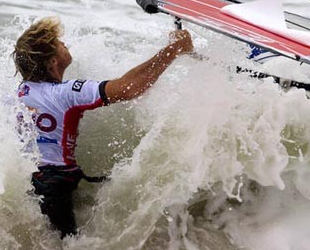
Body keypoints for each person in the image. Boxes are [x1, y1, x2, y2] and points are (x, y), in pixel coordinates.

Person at [13, 16, 193, 238]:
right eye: (59, 44)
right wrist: (174, 49)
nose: (65, 45)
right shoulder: (65, 93)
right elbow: (129, 88)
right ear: (52, 62)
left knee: (47, 244)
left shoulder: (16, 95)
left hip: (28, 180)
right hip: (54, 183)